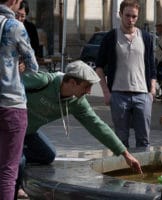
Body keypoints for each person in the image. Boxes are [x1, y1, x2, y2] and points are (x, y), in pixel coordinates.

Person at [15, 60, 143, 198]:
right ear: (72, 82)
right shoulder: (43, 81)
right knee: (18, 161)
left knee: (48, 155)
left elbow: (97, 126)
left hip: (27, 132)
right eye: (86, 86)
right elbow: (7, 85)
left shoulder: (77, 103)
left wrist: (125, 153)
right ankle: (13, 188)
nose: (88, 91)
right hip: (7, 129)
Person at [95, 0, 156, 149]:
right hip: (118, 95)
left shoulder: (146, 38)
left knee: (144, 140)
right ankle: (125, 170)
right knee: (121, 140)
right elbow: (99, 67)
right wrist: (106, 92)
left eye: (134, 16)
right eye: (127, 15)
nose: (131, 20)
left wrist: (152, 91)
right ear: (120, 14)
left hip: (142, 94)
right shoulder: (111, 37)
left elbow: (152, 66)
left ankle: (142, 171)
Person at [0, 0, 39, 199]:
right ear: (14, 1)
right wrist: (19, 62)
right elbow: (33, 66)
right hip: (11, 102)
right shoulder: (15, 26)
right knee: (8, 171)